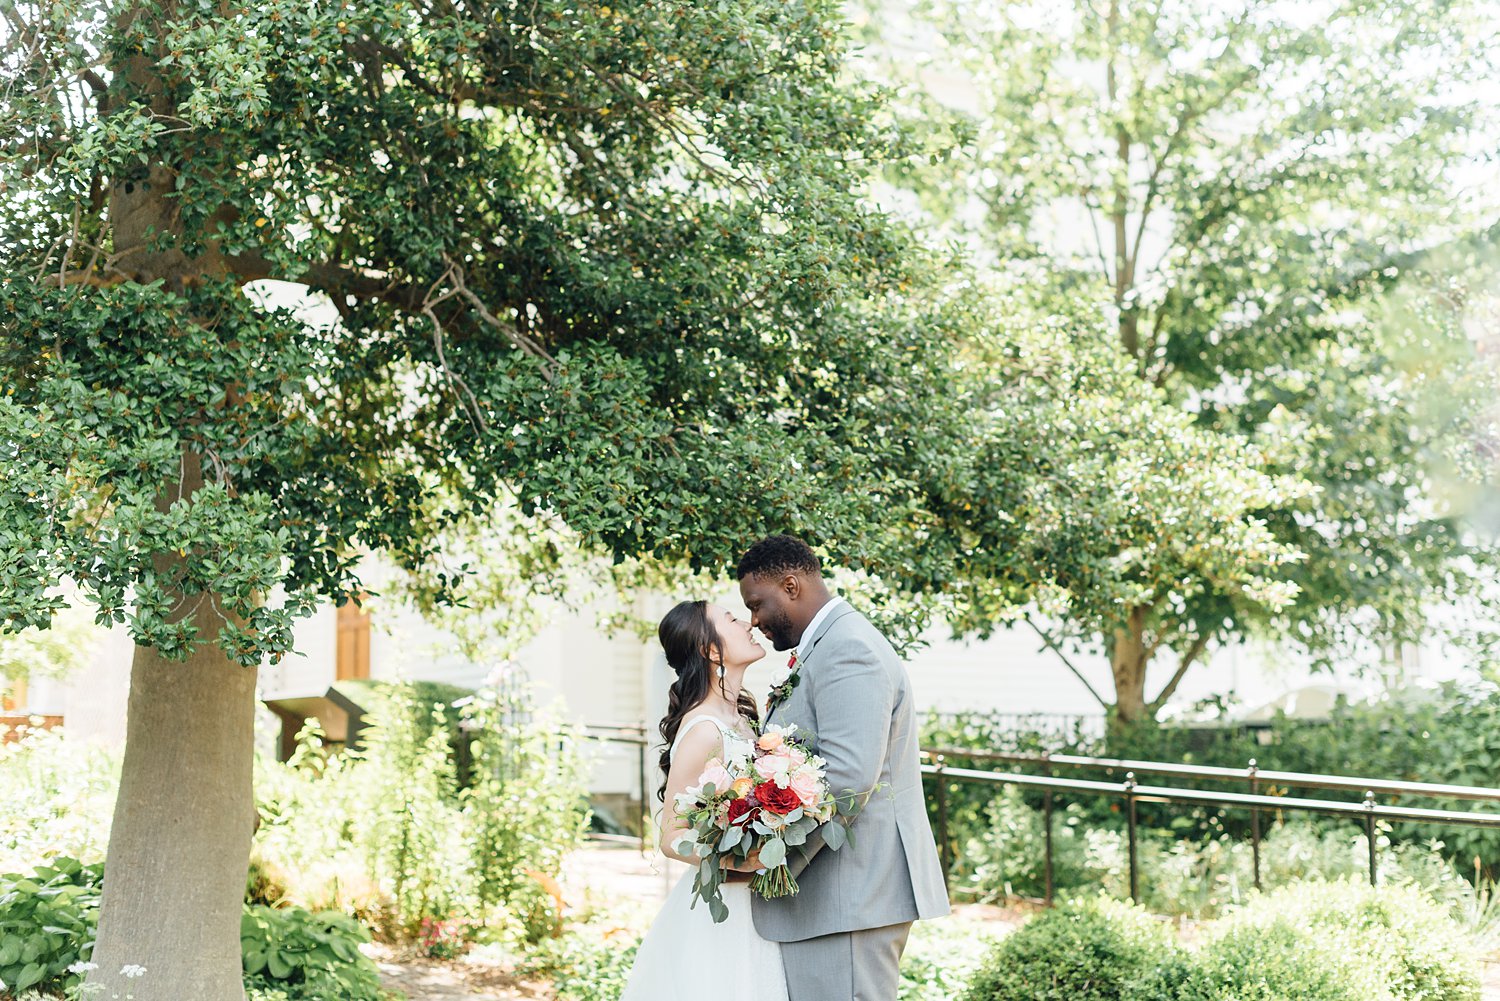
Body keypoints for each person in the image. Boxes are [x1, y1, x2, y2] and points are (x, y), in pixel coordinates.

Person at [738, 535, 949, 1001]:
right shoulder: (827, 645)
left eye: (757, 604)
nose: (754, 621)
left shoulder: (848, 648)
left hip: (852, 893)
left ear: (791, 585)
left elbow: (849, 779)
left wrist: (774, 863)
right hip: (840, 898)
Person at [618, 599, 787, 1001]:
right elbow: (671, 835)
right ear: (711, 650)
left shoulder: (743, 720)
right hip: (726, 907)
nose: (747, 623)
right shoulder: (704, 730)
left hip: (758, 903)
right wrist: (739, 859)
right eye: (730, 619)